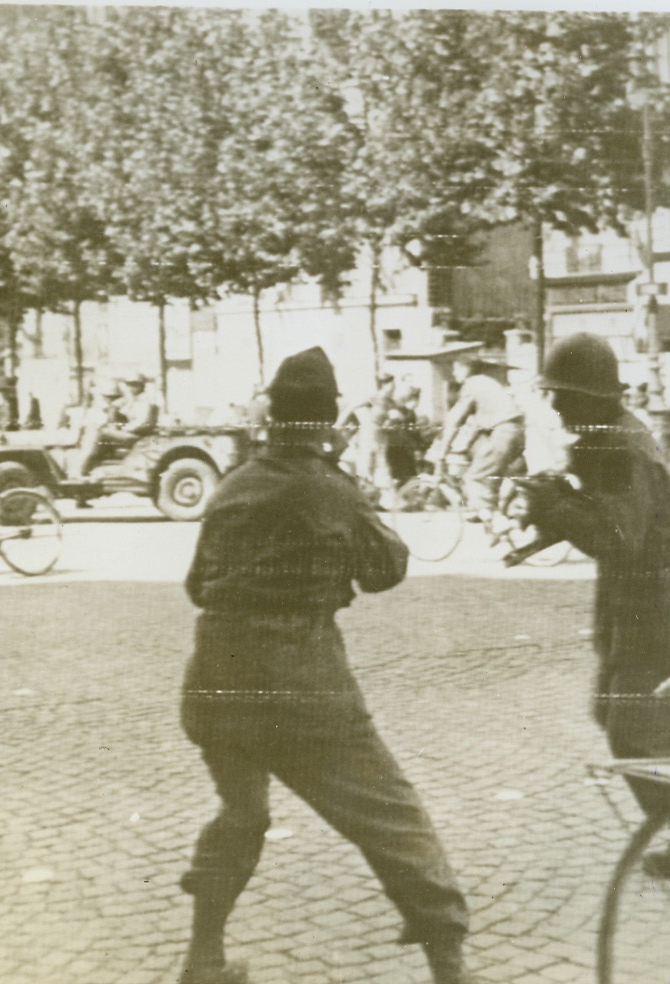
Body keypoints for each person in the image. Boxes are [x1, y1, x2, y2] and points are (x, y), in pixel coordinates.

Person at [179, 346, 472, 984]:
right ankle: (450, 966)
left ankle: (202, 960)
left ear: (271, 415)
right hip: (300, 685)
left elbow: (197, 586)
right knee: (390, 814)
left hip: (216, 678)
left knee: (242, 814)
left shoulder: (232, 485)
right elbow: (387, 567)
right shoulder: (329, 488)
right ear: (327, 421)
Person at [514, 333, 670, 877]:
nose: (556, 405)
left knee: (635, 736)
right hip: (649, 613)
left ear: (591, 396)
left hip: (667, 616)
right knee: (619, 716)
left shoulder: (618, 446)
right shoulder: (610, 438)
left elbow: (617, 538)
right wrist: (556, 500)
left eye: (564, 394)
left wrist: (556, 505)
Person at [430, 356, 525, 523]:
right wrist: (463, 446)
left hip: (503, 433)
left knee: (474, 477)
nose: (454, 373)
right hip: (517, 432)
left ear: (466, 369)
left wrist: (442, 451)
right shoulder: (487, 383)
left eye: (456, 369)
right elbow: (476, 425)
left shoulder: (471, 385)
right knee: (493, 476)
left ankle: (493, 519)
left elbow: (455, 420)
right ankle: (491, 512)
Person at [78, 374, 158, 475]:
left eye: (134, 385)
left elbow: (143, 423)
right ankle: (91, 465)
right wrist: (115, 409)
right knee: (96, 428)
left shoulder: (147, 402)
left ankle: (81, 467)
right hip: (132, 434)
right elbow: (120, 415)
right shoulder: (133, 401)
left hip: (139, 437)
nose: (131, 388)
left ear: (142, 386)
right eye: (129, 384)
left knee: (100, 432)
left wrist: (122, 428)